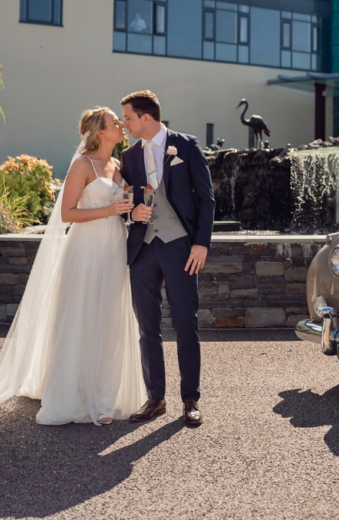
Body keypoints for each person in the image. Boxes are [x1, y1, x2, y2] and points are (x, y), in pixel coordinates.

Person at [0, 108, 145, 426]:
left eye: (121, 121)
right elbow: (67, 214)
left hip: (114, 248)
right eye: (114, 123)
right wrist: (109, 209)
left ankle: (105, 397)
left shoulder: (119, 164)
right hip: (86, 248)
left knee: (109, 318)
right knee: (80, 315)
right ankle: (72, 393)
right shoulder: (83, 164)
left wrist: (130, 209)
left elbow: (121, 208)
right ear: (100, 132)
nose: (121, 125)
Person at [119, 90, 215, 427]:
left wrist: (200, 244)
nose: (124, 124)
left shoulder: (185, 146)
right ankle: (155, 398)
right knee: (148, 328)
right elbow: (126, 203)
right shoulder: (129, 156)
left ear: (146, 117)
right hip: (143, 249)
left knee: (185, 324)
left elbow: (206, 199)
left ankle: (190, 400)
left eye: (128, 118)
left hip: (180, 247)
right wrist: (134, 210)